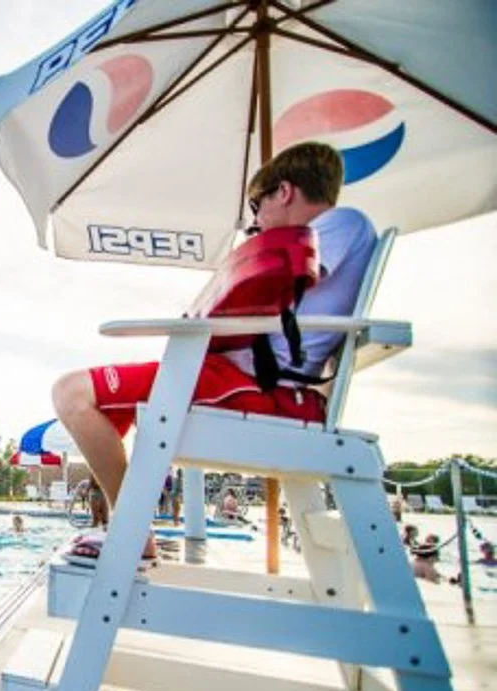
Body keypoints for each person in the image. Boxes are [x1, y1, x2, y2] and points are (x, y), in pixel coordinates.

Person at [51, 142, 373, 562]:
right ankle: (126, 527)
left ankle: (128, 532)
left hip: (262, 391)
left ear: (285, 192)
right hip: (240, 378)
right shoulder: (335, 232)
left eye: (257, 207)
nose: (255, 222)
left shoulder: (342, 223)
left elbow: (284, 274)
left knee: (73, 393)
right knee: (97, 402)